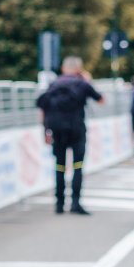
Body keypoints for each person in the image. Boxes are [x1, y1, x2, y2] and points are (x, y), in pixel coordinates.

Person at [36, 56, 104, 214]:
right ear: (79, 69)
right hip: (77, 130)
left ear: (63, 68)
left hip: (57, 131)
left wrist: (45, 131)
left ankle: (59, 204)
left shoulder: (53, 84)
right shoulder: (82, 83)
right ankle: (75, 203)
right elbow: (101, 100)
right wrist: (88, 80)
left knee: (59, 166)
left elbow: (42, 108)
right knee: (77, 166)